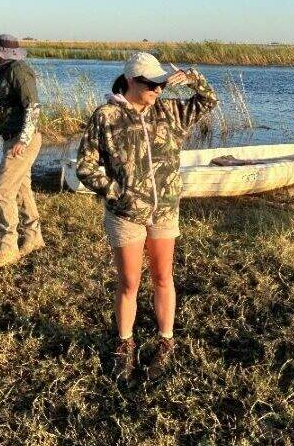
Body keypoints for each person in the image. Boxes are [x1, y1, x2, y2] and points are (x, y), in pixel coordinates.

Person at [77, 52, 218, 380]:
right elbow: (85, 164)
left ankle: (166, 342)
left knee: (163, 278)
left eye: (160, 82)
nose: (157, 88)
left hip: (165, 211)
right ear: (129, 81)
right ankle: (124, 344)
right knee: (129, 282)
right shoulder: (106, 116)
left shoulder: (170, 111)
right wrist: (116, 192)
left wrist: (192, 76)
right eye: (150, 83)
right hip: (126, 215)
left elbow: (209, 99)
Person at [0, 34, 44, 268]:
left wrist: (24, 139)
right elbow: (9, 108)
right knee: (21, 189)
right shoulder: (6, 70)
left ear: (5, 54)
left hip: (22, 140)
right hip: (13, 136)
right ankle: (33, 237)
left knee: (3, 192)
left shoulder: (19, 71)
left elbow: (33, 107)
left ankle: (8, 248)